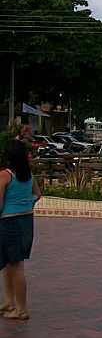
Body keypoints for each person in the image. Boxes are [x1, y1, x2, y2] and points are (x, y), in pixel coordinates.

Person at [0, 124, 41, 321]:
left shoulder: (5, 175)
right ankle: (8, 302)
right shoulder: (28, 175)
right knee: (10, 263)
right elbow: (38, 194)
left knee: (15, 266)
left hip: (9, 223)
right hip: (26, 221)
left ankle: (21, 309)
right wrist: (27, 205)